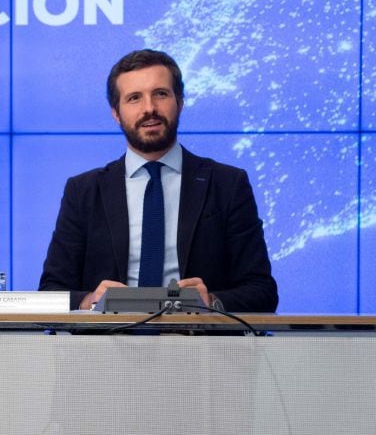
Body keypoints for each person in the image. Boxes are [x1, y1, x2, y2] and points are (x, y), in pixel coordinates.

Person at [38, 49, 278, 312]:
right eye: (134, 98)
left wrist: (211, 302)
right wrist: (88, 301)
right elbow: (51, 292)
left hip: (201, 346)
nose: (149, 108)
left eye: (161, 94)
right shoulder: (83, 191)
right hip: (107, 346)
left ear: (180, 102)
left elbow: (262, 291)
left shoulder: (227, 184)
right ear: (116, 113)